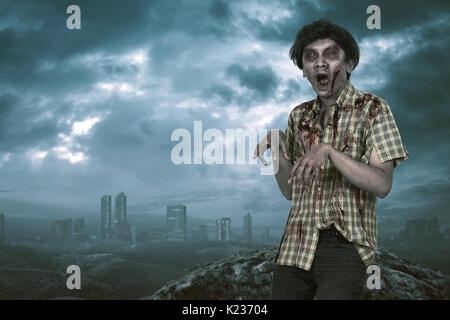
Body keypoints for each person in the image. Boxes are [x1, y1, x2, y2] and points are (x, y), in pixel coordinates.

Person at [253, 19, 408, 300]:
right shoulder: (298, 116)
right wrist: (277, 146)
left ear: (349, 64)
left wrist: (329, 151)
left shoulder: (373, 109)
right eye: (311, 56)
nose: (320, 63)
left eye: (331, 54)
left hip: (345, 247)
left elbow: (382, 184)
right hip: (294, 247)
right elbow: (290, 190)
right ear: (304, 71)